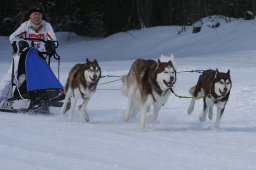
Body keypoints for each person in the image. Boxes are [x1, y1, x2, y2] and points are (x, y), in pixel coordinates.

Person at [0, 4, 57, 107]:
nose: (37, 16)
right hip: (24, 54)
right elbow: (12, 36)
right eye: (35, 14)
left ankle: (41, 99)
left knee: (44, 76)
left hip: (40, 56)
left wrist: (51, 44)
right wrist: (18, 43)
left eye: (39, 14)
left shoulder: (46, 26)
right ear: (30, 15)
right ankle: (1, 96)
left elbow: (53, 40)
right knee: (11, 74)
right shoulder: (25, 25)